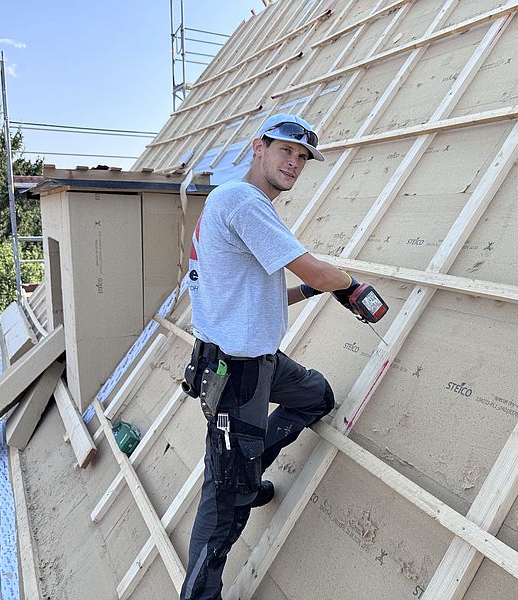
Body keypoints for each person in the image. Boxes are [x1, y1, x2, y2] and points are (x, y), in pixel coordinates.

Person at [181, 114, 377, 600]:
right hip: (237, 373)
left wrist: (306, 291)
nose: (294, 163)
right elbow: (309, 262)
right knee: (225, 503)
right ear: (258, 147)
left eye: (302, 157)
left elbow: (247, 289)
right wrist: (347, 285)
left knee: (314, 397)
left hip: (258, 358)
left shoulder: (228, 199)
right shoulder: (247, 203)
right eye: (286, 151)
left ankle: (249, 469)